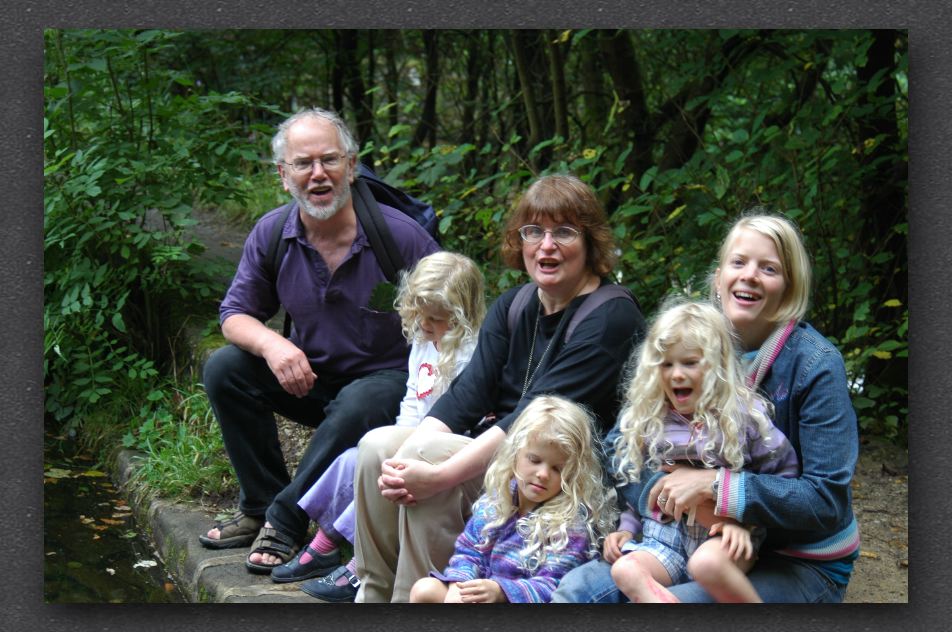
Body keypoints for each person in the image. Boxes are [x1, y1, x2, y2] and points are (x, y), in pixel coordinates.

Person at [340, 173, 646, 603]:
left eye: (564, 232)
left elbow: (531, 419)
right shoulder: (516, 306)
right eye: (534, 231)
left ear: (591, 243)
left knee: (427, 459)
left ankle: (414, 598)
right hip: (507, 457)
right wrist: (409, 457)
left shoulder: (610, 317)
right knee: (378, 447)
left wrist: (437, 474)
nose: (546, 245)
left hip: (564, 477)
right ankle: (373, 594)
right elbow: (469, 393)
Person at [551, 211, 860, 603]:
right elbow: (619, 445)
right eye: (738, 262)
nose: (749, 275)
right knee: (577, 590)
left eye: (769, 268)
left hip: (793, 555)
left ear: (790, 287)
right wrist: (666, 494)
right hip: (683, 538)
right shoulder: (685, 341)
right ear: (718, 278)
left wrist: (712, 487)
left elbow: (825, 500)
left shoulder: (815, 364)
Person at [197, 107, 440, 573]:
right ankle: (259, 506)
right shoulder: (273, 233)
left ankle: (286, 520)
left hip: (392, 389)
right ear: (283, 175)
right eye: (303, 164)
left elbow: (460, 322)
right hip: (311, 380)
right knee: (226, 368)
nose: (318, 174)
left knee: (364, 398)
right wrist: (275, 345)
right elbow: (234, 315)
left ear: (351, 165)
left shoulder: (401, 239)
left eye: (329, 160)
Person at [267, 252, 485, 598]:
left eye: (437, 319)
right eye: (421, 316)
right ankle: (329, 546)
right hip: (415, 433)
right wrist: (397, 438)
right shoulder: (424, 343)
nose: (426, 326)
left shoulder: (472, 354)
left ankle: (350, 564)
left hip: (445, 446)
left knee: (390, 469)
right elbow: (413, 399)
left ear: (460, 316)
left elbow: (463, 421)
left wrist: (405, 450)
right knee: (356, 459)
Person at [606, 300, 799, 603]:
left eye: (690, 362)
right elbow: (635, 478)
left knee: (706, 564)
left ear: (717, 366)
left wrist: (745, 523)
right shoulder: (650, 419)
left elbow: (783, 478)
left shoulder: (744, 417)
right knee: (624, 570)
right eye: (666, 364)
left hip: (724, 536)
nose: (676, 374)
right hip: (664, 539)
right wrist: (628, 527)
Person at [409, 395, 616, 603]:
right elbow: (469, 551)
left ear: (573, 473)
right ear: (515, 453)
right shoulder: (499, 500)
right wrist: (459, 585)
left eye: (557, 468)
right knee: (425, 590)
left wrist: (501, 592)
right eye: (534, 460)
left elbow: (553, 586)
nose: (543, 474)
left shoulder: (571, 524)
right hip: (481, 593)